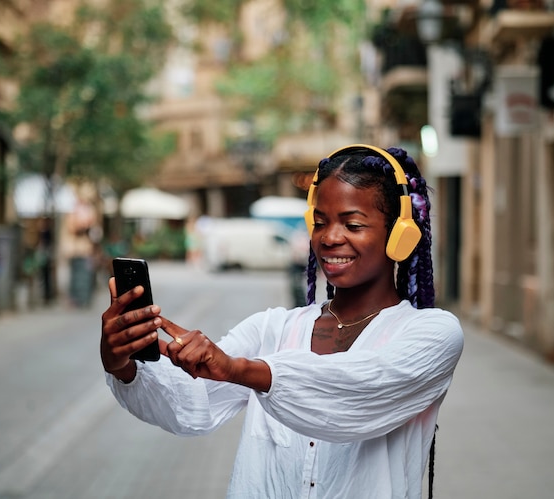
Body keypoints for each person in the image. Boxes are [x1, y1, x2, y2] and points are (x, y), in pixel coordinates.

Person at [100, 144, 464, 499]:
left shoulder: (434, 334)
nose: (330, 238)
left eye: (352, 224)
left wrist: (239, 369)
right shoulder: (271, 329)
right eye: (320, 223)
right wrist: (123, 365)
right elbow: (190, 406)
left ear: (400, 235)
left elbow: (354, 390)